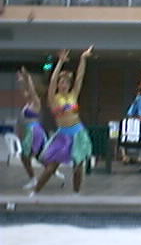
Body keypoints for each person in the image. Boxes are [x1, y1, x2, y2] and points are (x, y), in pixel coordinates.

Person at [33, 47, 94, 194]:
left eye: (66, 82)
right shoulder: (53, 98)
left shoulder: (73, 95)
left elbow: (80, 77)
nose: (63, 84)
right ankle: (35, 192)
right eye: (61, 82)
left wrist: (83, 59)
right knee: (51, 167)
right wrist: (60, 62)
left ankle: (76, 194)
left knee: (78, 166)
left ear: (69, 85)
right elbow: (52, 81)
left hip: (78, 132)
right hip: (63, 135)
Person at [16, 67, 51, 189]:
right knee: (33, 157)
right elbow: (26, 90)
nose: (25, 92)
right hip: (29, 133)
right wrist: (23, 80)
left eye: (28, 91)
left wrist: (28, 78)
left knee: (27, 156)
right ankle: (49, 170)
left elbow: (31, 91)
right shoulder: (28, 104)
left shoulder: (36, 102)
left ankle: (39, 176)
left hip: (35, 133)